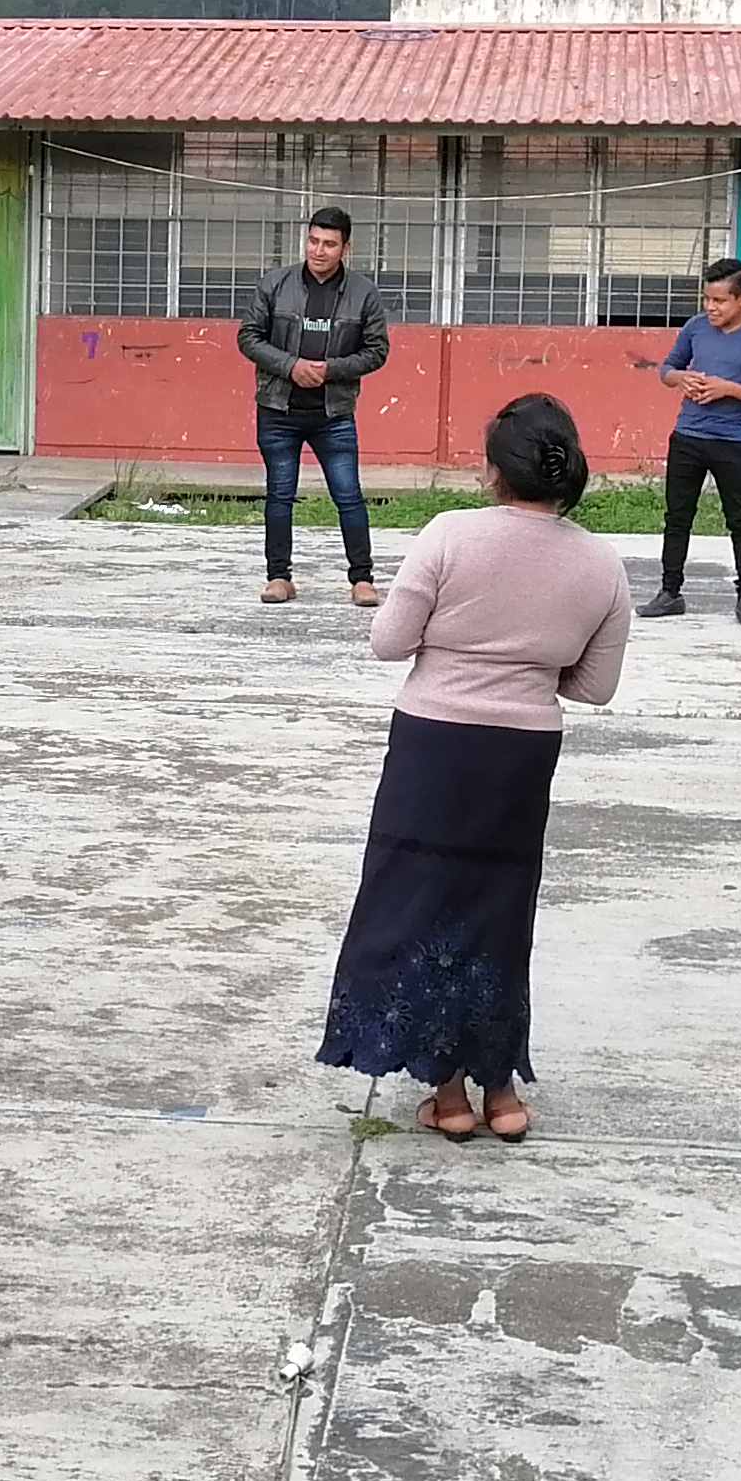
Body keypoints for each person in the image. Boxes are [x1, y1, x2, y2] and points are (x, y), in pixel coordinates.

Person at [318, 393, 633, 1145]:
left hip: (433, 744)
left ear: (493, 471)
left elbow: (389, 643)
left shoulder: (449, 536)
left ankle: (448, 1095)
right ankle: (503, 1094)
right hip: (522, 756)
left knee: (417, 908)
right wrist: (527, 666)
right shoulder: (600, 562)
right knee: (498, 913)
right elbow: (595, 687)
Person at [242, 205, 392, 606]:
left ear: (346, 248)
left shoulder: (364, 293)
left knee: (348, 496)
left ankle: (362, 580)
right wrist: (291, 366)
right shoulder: (275, 284)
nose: (318, 250)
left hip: (334, 414)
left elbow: (377, 351)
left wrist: (330, 370)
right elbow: (249, 338)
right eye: (313, 241)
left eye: (329, 243)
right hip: (278, 410)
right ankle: (279, 577)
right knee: (279, 495)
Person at [641, 255, 741, 624]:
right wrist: (681, 380)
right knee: (677, 517)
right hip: (687, 436)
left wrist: (729, 389)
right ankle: (670, 591)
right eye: (707, 299)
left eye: (720, 300)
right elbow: (667, 369)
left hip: (732, 442)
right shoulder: (695, 328)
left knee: (740, 519)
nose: (711, 307)